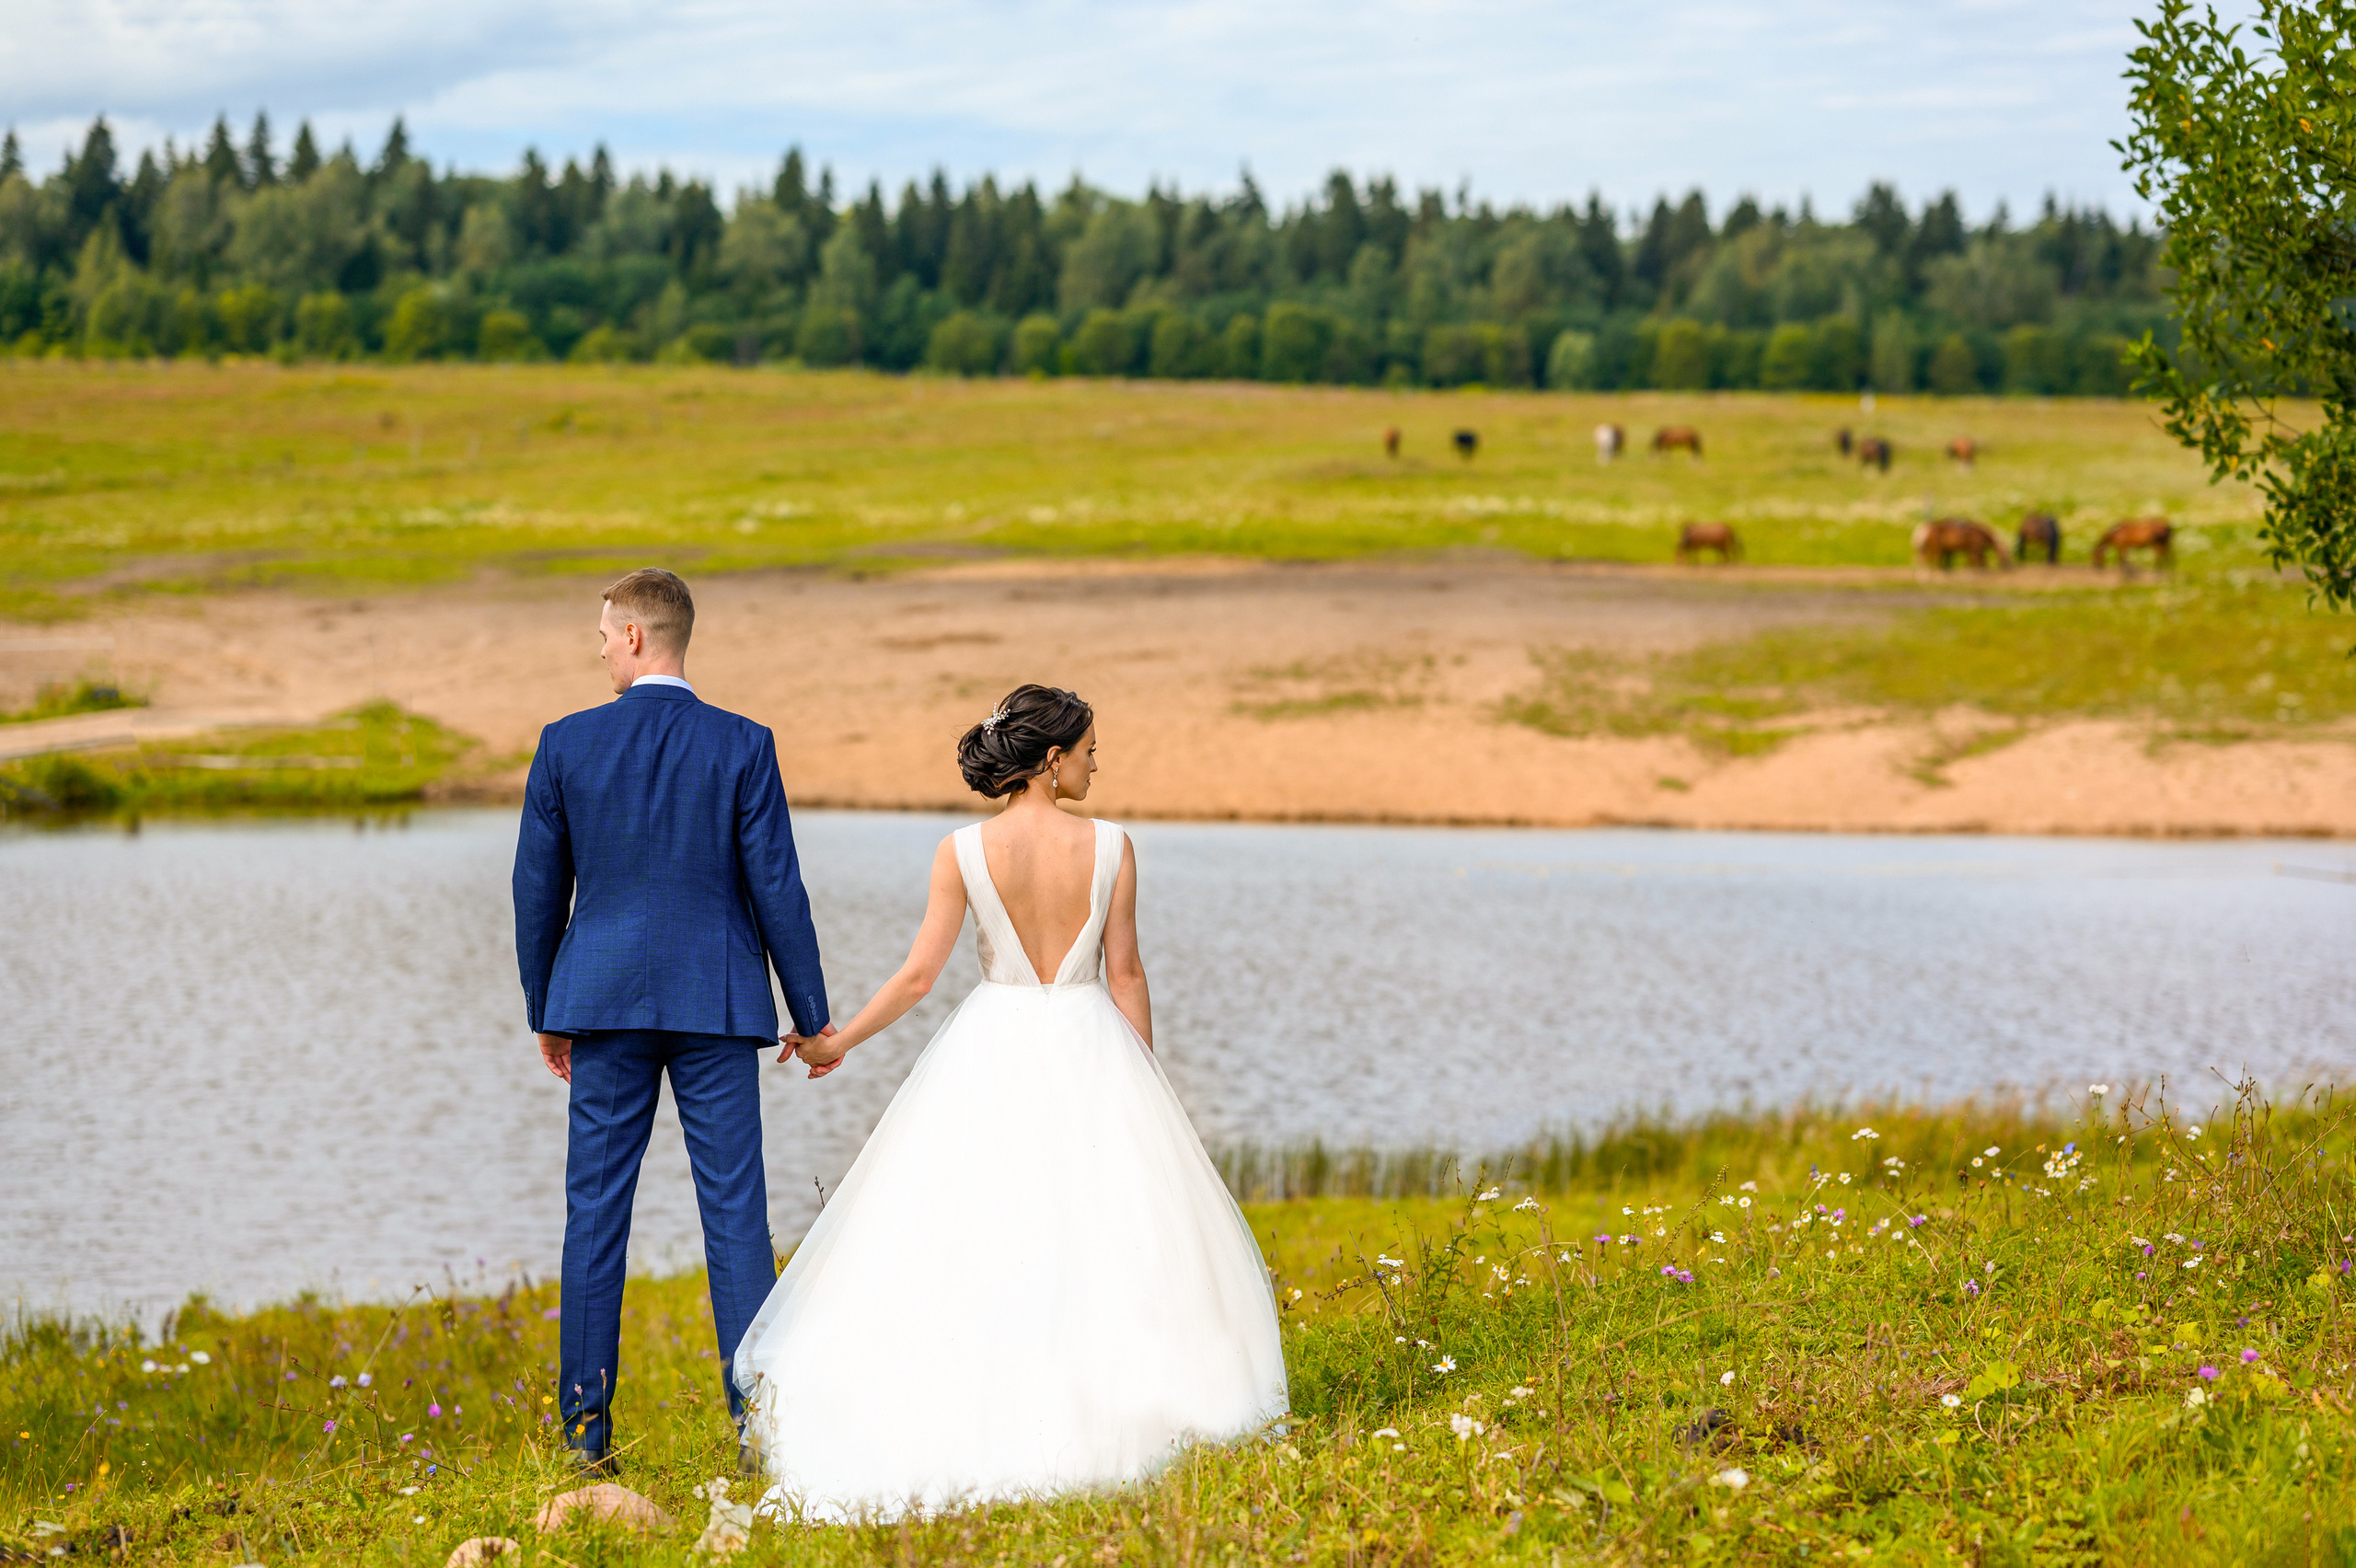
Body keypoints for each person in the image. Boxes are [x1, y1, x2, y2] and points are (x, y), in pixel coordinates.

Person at [734, 684, 1287, 1521]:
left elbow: (921, 976)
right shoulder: (1112, 847)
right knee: (1107, 1231)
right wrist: (1144, 1083)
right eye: (1092, 750)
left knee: (982, 1224)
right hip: (1090, 1035)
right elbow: (1127, 974)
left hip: (990, 1041)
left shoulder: (961, 849)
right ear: (1054, 760)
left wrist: (838, 1041)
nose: (1099, 763)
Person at [513, 567, 831, 1474]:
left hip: (600, 1004)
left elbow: (537, 890)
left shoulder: (566, 744)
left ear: (638, 637)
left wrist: (548, 1009)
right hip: (718, 1003)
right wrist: (808, 1015)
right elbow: (779, 888)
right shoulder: (743, 744)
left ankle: (585, 1441)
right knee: (736, 1216)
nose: (601, 649)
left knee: (594, 1216)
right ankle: (759, 1437)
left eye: (604, 635)